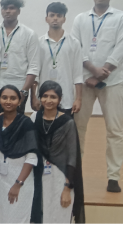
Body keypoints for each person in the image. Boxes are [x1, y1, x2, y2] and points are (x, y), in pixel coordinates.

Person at [71, 0, 123, 193]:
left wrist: (101, 74)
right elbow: (76, 47)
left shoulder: (121, 18)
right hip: (84, 81)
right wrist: (92, 70)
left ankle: (113, 177)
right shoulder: (80, 19)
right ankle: (75, 175)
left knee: (115, 130)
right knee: (78, 128)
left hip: (112, 82)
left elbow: (122, 48)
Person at [31, 81, 85, 223]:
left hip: (60, 177)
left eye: (53, 97)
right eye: (45, 96)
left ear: (60, 99)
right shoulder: (34, 118)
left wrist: (67, 188)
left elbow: (72, 157)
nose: (48, 100)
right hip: (38, 175)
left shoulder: (67, 122)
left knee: (59, 216)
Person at [0, 85, 39, 224]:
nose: (8, 101)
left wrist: (18, 183)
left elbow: (31, 157)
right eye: (4, 97)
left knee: (17, 219)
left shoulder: (26, 123)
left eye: (13, 98)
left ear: (19, 101)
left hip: (20, 182)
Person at [32, 2, 83, 116]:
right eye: (52, 15)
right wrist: (33, 97)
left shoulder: (74, 43)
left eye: (59, 16)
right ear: (46, 19)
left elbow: (78, 74)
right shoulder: (38, 43)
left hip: (66, 98)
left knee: (65, 126)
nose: (55, 18)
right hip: (44, 98)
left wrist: (78, 99)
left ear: (64, 19)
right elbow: (35, 73)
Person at [0, 0, 40, 114]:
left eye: (11, 8)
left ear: (19, 11)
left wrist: (24, 91)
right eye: (4, 8)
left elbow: (34, 66)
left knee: (16, 122)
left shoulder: (29, 34)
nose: (7, 11)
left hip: (19, 88)